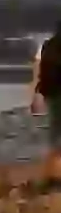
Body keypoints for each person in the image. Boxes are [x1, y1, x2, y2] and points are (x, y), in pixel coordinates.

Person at [31, 21, 61, 183]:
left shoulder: (46, 46)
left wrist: (34, 96)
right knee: (56, 136)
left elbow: (37, 70)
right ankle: (53, 175)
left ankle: (51, 174)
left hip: (51, 92)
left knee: (54, 133)